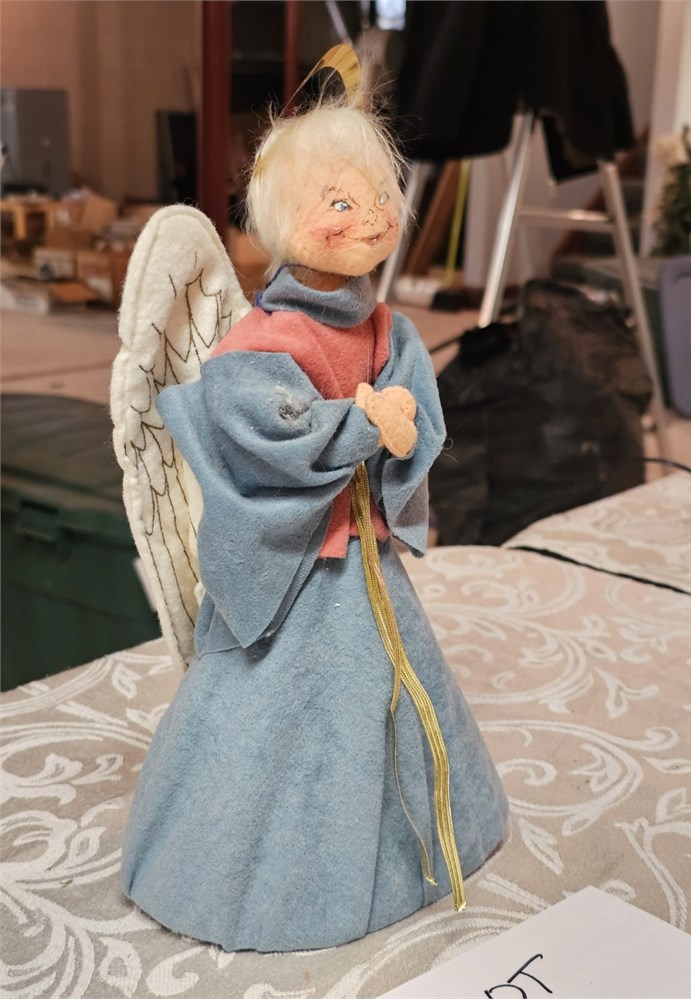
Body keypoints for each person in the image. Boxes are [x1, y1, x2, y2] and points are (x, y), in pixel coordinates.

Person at [120, 89, 508, 954]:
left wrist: (402, 422)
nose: (371, 215)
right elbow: (264, 430)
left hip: (369, 560)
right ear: (283, 219)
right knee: (278, 724)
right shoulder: (262, 342)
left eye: (379, 195)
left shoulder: (386, 327)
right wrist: (362, 423)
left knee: (394, 701)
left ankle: (403, 860)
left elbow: (416, 408)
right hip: (303, 570)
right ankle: (267, 881)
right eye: (339, 201)